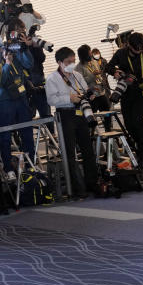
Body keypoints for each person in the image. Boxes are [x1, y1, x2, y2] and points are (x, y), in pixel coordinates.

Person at [0, 25, 35, 173]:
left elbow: (29, 64)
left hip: (21, 96)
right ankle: (8, 168)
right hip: (5, 100)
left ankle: (30, 166)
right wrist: (7, 63)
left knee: (27, 133)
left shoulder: (11, 49)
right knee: (5, 135)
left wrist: (23, 49)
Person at [46, 47, 98, 198]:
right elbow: (51, 99)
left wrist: (89, 95)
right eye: (68, 62)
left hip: (81, 113)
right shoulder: (52, 78)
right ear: (60, 62)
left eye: (73, 61)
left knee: (88, 149)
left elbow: (85, 90)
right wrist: (69, 98)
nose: (72, 64)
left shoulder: (77, 75)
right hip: (65, 114)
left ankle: (92, 183)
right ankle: (76, 187)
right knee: (69, 152)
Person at [107, 32, 143, 161]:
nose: (139, 51)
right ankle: (142, 147)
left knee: (137, 119)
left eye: (142, 48)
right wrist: (115, 72)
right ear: (129, 45)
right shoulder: (120, 54)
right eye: (137, 48)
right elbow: (108, 67)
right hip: (126, 93)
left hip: (141, 93)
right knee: (128, 123)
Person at [75, 44, 111, 112]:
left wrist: (101, 80)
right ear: (84, 55)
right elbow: (80, 83)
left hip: (101, 93)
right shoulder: (78, 68)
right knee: (93, 117)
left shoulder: (94, 62)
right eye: (89, 53)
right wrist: (92, 75)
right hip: (91, 96)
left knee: (107, 114)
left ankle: (108, 123)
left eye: (90, 52)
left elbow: (98, 76)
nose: (91, 54)